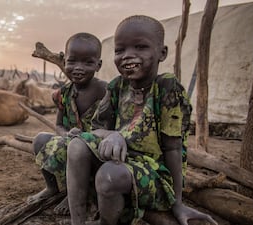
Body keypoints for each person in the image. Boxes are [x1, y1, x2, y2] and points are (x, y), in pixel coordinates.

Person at [66, 15, 218, 225]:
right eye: (120, 50)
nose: (128, 56)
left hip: (156, 173)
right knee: (76, 145)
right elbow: (97, 130)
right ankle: (78, 222)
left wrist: (177, 203)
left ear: (162, 53)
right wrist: (114, 135)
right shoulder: (117, 87)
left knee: (109, 174)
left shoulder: (166, 88)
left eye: (140, 47)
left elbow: (173, 150)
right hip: (123, 160)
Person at [26, 32, 108, 215]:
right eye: (72, 61)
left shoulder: (104, 90)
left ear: (98, 65)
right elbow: (59, 125)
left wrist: (87, 138)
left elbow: (111, 127)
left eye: (88, 63)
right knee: (40, 139)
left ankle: (77, 193)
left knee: (79, 150)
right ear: (64, 62)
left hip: (96, 149)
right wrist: (65, 134)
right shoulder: (63, 94)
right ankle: (52, 187)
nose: (78, 68)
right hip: (71, 142)